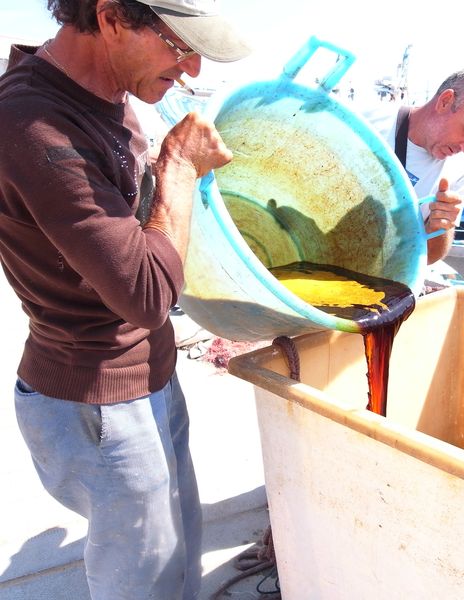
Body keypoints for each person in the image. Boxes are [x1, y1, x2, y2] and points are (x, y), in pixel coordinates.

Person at [0, 1, 250, 598]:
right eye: (178, 44)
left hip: (152, 378)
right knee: (144, 586)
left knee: (179, 563)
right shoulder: (33, 126)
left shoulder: (108, 93)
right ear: (111, 17)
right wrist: (179, 167)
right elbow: (147, 293)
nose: (190, 69)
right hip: (96, 402)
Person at [364, 68, 464, 264]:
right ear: (445, 101)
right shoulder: (367, 122)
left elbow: (429, 257)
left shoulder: (462, 169)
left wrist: (441, 227)